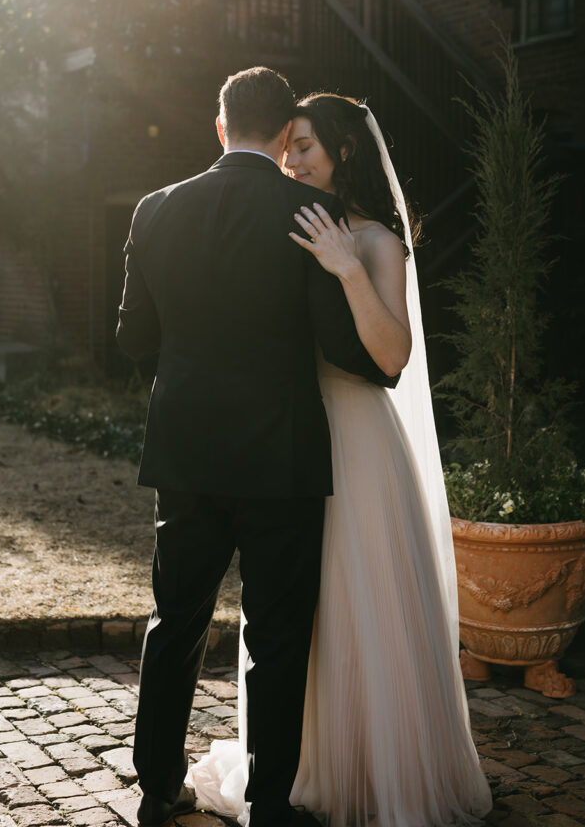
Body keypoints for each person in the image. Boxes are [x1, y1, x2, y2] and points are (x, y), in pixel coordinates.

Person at [191, 94, 492, 827]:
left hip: (357, 443)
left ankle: (383, 771)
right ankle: (303, 770)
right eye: (287, 147)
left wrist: (344, 266)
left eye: (304, 147)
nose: (290, 160)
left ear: (342, 153)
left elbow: (391, 356)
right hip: (288, 440)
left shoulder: (377, 242)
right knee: (297, 618)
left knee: (367, 607)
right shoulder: (281, 224)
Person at [116, 70, 391, 827]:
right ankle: (271, 805)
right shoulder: (311, 210)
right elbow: (347, 350)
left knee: (175, 621)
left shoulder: (155, 208)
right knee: (277, 636)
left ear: (219, 126)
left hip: (187, 455)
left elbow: (132, 340)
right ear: (281, 138)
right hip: (282, 457)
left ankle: (155, 789)